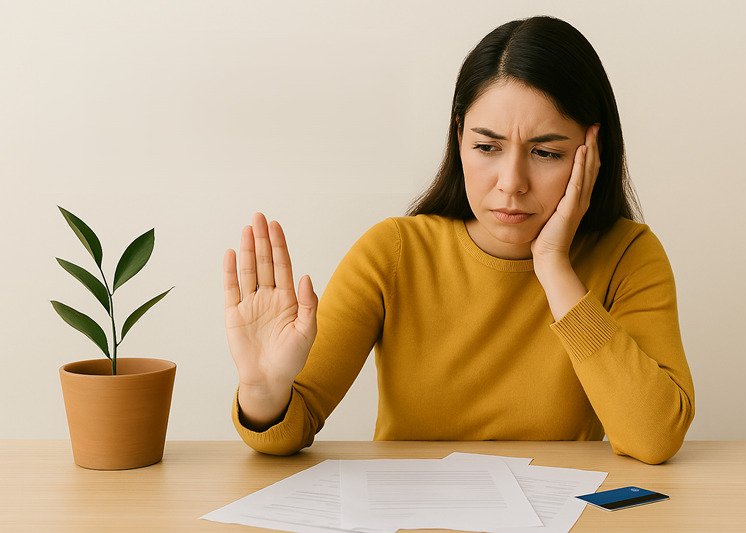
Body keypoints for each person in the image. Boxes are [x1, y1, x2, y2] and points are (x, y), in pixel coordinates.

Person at [222, 15, 695, 465]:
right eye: (487, 147)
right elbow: (286, 431)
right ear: (459, 138)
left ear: (592, 154)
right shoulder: (394, 251)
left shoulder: (628, 255)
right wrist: (264, 390)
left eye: (546, 152)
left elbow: (653, 437)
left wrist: (553, 265)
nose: (512, 182)